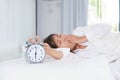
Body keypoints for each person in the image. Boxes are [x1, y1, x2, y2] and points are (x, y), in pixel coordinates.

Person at [28, 23, 120, 62]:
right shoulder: (77, 56)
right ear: (62, 48)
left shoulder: (79, 31)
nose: (63, 38)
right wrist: (39, 46)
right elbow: (59, 55)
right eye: (60, 42)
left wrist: (83, 38)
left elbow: (106, 27)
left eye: (60, 35)